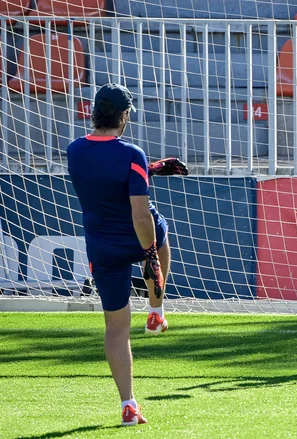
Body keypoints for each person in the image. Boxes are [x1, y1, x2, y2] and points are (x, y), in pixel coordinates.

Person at [67, 83, 189, 425]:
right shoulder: (131, 153)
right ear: (125, 115)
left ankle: (128, 405)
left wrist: (148, 169)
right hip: (136, 238)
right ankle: (155, 309)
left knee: (116, 329)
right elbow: (139, 214)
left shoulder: (75, 150)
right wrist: (150, 254)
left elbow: (104, 172)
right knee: (159, 226)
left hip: (102, 249)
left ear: (95, 113)